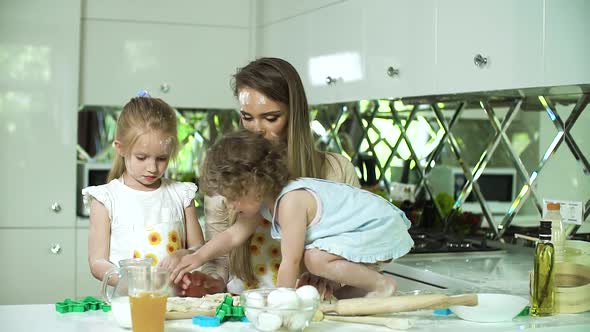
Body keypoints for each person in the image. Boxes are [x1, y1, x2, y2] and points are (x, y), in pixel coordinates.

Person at [179, 57, 360, 298]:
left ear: (294, 114)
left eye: (271, 118)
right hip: (247, 312)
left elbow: (360, 253)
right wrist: (210, 281)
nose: (257, 129)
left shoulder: (335, 170)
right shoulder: (229, 177)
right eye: (247, 117)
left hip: (315, 310)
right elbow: (221, 262)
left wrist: (330, 283)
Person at [171, 130, 414, 297]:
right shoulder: (266, 200)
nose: (231, 206)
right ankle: (373, 290)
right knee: (337, 291)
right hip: (368, 227)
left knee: (314, 259)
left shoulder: (290, 202)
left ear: (256, 183)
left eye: (234, 197)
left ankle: (383, 285)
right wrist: (199, 256)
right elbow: (234, 235)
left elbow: (291, 260)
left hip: (377, 226)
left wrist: (281, 306)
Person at [83, 94, 204, 285]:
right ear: (120, 148)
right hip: (127, 302)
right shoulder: (105, 199)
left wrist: (184, 255)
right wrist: (132, 282)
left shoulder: (181, 195)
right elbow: (97, 262)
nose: (152, 168)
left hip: (176, 303)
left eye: (162, 158)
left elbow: (199, 248)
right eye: (141, 157)